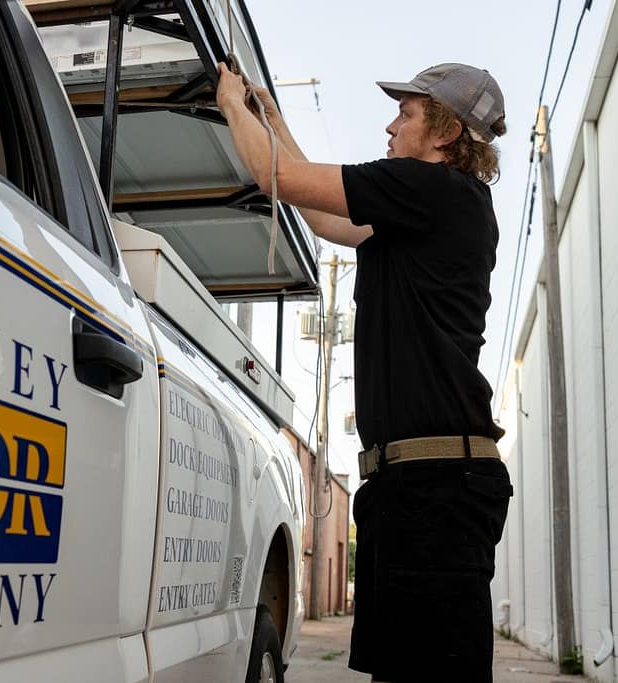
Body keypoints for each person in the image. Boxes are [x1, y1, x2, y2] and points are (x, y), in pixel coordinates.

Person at [216, 62, 514, 682]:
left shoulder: (433, 191)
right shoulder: (426, 211)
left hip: (437, 491)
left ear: (444, 132)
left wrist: (229, 106)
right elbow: (322, 217)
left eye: (406, 114)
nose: (389, 125)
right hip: (414, 492)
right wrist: (271, 119)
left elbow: (279, 177)